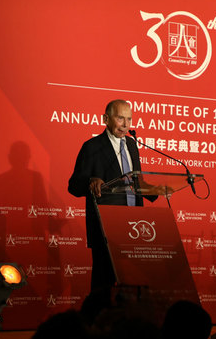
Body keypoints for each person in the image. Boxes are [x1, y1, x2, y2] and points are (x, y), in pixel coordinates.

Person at [69, 99, 158, 291]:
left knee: (133, 283)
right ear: (106, 119)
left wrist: (156, 189)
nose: (125, 125)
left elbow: (136, 180)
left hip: (135, 226)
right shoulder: (92, 147)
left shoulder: (132, 145)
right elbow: (74, 185)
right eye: (120, 118)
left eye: (129, 119)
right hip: (106, 226)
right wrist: (91, 181)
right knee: (104, 284)